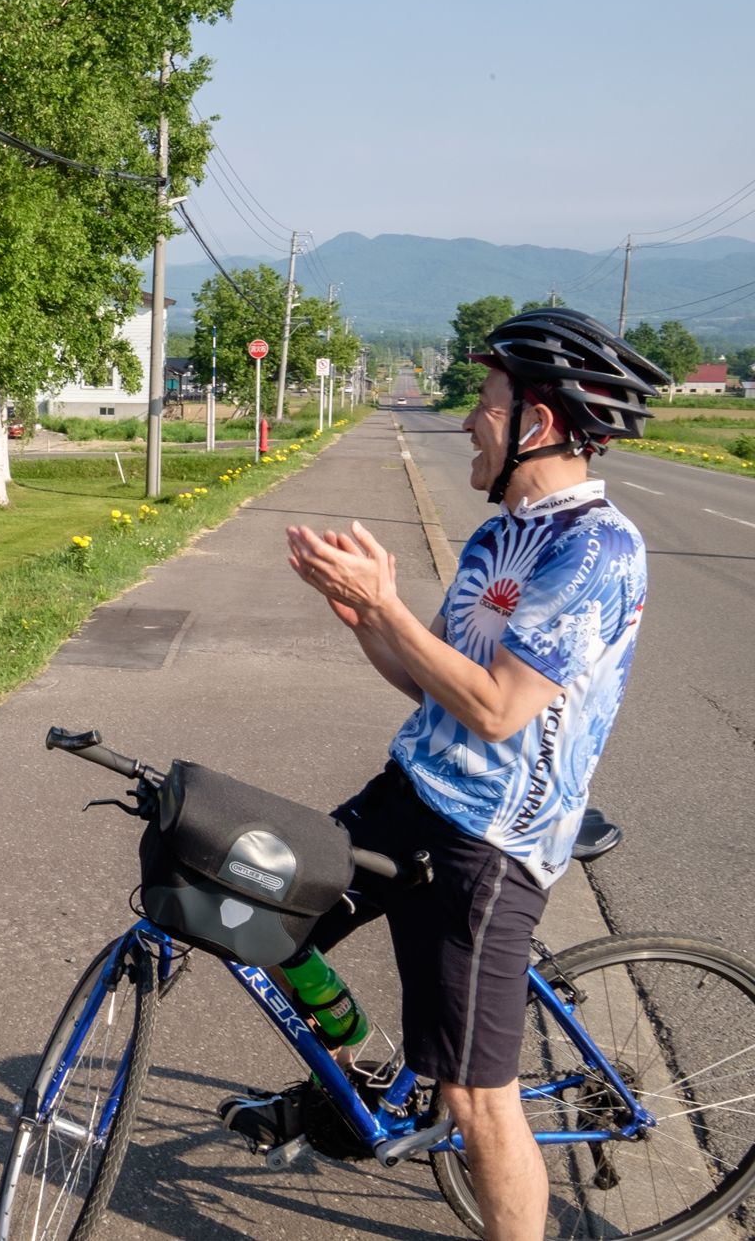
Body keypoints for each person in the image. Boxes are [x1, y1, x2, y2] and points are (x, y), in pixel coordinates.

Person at [221, 309, 670, 1240]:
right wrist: (365, 615)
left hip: (490, 841)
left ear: (535, 426)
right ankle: (361, 1089)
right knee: (264, 913)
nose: (469, 417)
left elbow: (501, 706)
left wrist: (389, 605)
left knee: (476, 1095)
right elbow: (432, 679)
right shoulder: (499, 532)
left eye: (485, 401)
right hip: (411, 790)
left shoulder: (596, 549)